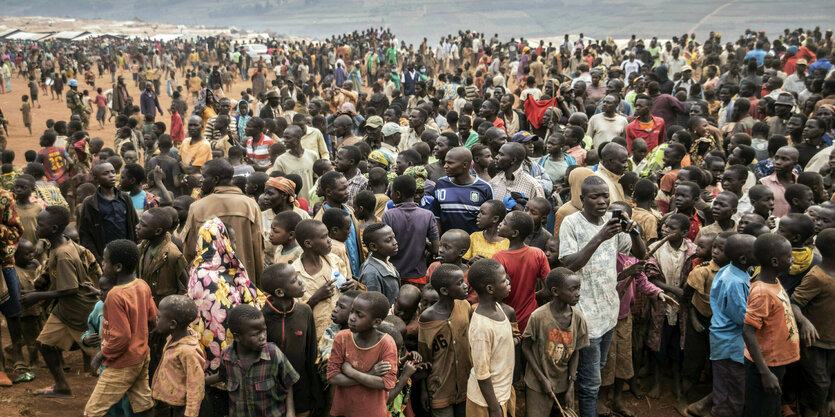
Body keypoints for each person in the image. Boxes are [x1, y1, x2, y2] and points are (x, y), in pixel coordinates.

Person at [559, 175, 646, 417]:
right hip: (585, 314)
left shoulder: (613, 222)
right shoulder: (572, 223)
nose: (601, 201)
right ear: (581, 199)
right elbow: (569, 264)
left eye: (605, 196)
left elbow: (640, 254)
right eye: (594, 196)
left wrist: (635, 232)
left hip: (609, 311)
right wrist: (600, 237)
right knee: (590, 382)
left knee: (597, 367)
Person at [19, 205, 99, 398]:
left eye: (40, 225)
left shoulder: (64, 255)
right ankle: (61, 386)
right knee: (45, 344)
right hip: (64, 310)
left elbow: (70, 289)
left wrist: (36, 296)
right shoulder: (59, 246)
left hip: (80, 311)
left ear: (54, 229)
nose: (37, 228)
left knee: (102, 354)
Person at [187, 218, 265, 414]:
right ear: (222, 242)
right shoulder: (207, 276)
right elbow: (221, 316)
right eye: (232, 241)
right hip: (221, 348)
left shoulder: (221, 270)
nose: (235, 246)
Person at [84, 240, 158, 417]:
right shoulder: (142, 285)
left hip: (121, 363)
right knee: (143, 403)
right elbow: (153, 319)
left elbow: (120, 338)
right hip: (141, 356)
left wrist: (100, 356)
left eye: (105, 260)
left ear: (117, 267)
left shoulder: (115, 295)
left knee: (93, 411)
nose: (102, 263)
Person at [742, 233, 800, 417]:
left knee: (770, 407)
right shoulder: (762, 292)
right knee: (760, 409)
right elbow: (748, 331)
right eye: (789, 256)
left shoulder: (774, 281)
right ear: (775, 262)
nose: (792, 259)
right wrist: (765, 373)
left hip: (773, 360)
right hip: (765, 364)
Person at [206, 304, 298, 417]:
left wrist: (290, 412)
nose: (263, 337)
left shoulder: (273, 354)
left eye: (264, 331)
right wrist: (198, 382)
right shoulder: (227, 356)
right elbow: (222, 376)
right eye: (256, 334)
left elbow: (288, 382)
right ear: (237, 337)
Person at [182, 159, 264, 286]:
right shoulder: (250, 205)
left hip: (210, 283)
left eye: (204, 176)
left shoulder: (198, 207)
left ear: (215, 179)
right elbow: (258, 249)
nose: (201, 180)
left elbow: (189, 250)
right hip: (244, 280)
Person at [521, 267, 589, 417]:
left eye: (579, 288)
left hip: (563, 383)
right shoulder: (538, 317)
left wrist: (571, 385)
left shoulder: (578, 318)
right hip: (537, 384)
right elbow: (525, 347)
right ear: (555, 291)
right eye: (573, 289)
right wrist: (542, 378)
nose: (578, 294)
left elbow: (576, 351)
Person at [644, 214, 698, 399]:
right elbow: (651, 275)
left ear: (684, 232)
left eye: (671, 228)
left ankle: (676, 382)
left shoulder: (692, 251)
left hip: (683, 308)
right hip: (661, 305)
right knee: (659, 345)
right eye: (665, 226)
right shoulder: (655, 249)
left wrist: (684, 292)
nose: (665, 230)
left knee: (678, 347)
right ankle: (657, 381)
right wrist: (671, 289)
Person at [261, 263, 321, 417]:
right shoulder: (262, 317)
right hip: (272, 387)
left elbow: (311, 353)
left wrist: (314, 391)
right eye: (294, 280)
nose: (300, 281)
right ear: (280, 292)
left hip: (301, 385)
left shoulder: (304, 311)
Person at [326, 291, 398, 417]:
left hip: (372, 412)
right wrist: (370, 375)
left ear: (376, 322)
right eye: (352, 311)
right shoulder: (342, 338)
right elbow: (333, 377)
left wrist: (351, 372)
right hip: (344, 410)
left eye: (359, 315)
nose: (352, 317)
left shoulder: (386, 343)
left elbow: (387, 383)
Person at [709, 233, 757, 417]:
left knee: (726, 385)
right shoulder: (735, 282)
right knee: (732, 389)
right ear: (744, 258)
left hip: (726, 339)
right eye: (757, 251)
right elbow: (742, 317)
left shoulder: (732, 271)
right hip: (731, 343)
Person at [790, 228, 835, 417]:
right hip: (814, 341)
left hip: (832, 341)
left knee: (830, 382)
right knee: (819, 384)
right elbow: (794, 303)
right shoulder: (817, 276)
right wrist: (804, 323)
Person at [418, 263, 473, 417]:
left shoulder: (465, 306)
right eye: (459, 283)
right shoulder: (428, 317)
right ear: (444, 291)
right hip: (439, 386)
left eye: (464, 281)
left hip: (465, 382)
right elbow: (424, 357)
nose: (465, 286)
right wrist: (424, 390)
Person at [466, 258, 515, 417]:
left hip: (502, 392)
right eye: (503, 280)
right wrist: (494, 408)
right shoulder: (481, 326)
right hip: (486, 402)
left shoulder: (498, 307)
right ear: (490, 288)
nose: (508, 282)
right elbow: (482, 373)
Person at [292, 219, 352, 340]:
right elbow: (295, 313)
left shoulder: (334, 261)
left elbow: (347, 288)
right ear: (309, 244)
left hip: (341, 331)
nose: (330, 240)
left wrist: (352, 285)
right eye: (324, 237)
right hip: (314, 336)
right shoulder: (294, 274)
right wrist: (316, 297)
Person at [493, 211, 550, 332]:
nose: (499, 224)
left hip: (506, 318)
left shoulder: (499, 258)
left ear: (514, 233)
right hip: (531, 316)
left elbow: (494, 294)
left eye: (504, 223)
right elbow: (549, 288)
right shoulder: (538, 254)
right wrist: (531, 297)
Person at [151, 295, 206, 417]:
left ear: (172, 324)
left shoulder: (188, 351)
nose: (156, 318)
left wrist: (190, 413)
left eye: (159, 317)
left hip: (182, 409)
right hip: (169, 403)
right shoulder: (172, 339)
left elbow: (196, 384)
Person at [382, 175, 439, 285]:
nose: (390, 195)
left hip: (393, 275)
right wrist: (423, 243)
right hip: (418, 276)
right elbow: (436, 248)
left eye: (391, 192)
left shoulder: (389, 215)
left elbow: (383, 245)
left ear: (398, 194)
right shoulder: (428, 215)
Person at [78, 162, 138, 261]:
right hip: (104, 256)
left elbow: (135, 225)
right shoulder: (90, 203)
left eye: (113, 172)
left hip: (127, 253)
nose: (111, 176)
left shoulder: (125, 198)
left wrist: (135, 250)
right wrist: (97, 259)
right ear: (96, 178)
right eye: (105, 173)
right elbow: (85, 234)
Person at [431, 147, 494, 234]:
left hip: (473, 245)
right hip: (448, 244)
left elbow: (490, 222)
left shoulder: (484, 188)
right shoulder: (441, 184)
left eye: (450, 163)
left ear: (465, 165)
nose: (445, 166)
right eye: (445, 162)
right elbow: (436, 216)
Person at [136, 207, 187, 306]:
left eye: (143, 225)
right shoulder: (142, 248)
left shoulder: (173, 255)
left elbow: (185, 287)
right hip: (145, 305)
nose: (137, 227)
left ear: (157, 231)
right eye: (139, 223)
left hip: (165, 310)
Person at [273, 125, 319, 199]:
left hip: (310, 203)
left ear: (298, 138)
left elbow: (315, 179)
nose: (284, 140)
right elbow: (278, 184)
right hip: (293, 204)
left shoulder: (312, 155)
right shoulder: (281, 160)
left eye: (287, 138)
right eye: (284, 137)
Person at [359, 223, 400, 305]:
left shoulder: (386, 261)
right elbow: (372, 306)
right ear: (373, 247)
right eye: (388, 240)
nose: (395, 242)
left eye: (394, 237)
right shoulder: (371, 274)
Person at [758, 146, 799, 218]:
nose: (778, 162)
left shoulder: (801, 182)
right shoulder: (764, 183)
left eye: (784, 159)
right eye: (776, 158)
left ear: (795, 163)